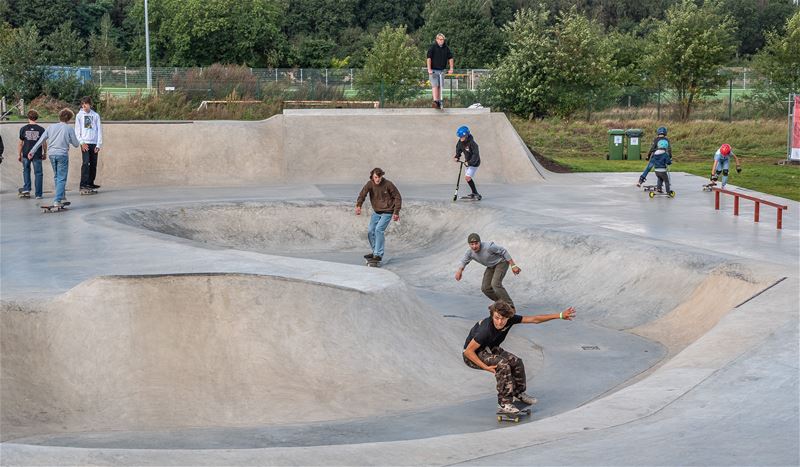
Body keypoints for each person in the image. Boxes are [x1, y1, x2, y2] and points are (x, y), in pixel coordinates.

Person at [463, 300, 576, 414]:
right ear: (492, 315)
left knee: (516, 362)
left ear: (508, 317)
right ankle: (504, 402)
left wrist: (559, 315)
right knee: (503, 365)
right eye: (496, 318)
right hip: (473, 355)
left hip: (490, 348)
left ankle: (518, 393)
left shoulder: (511, 319)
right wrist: (485, 367)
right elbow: (468, 352)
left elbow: (534, 319)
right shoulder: (485, 330)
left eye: (503, 319)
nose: (500, 322)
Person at [28, 108, 79, 208]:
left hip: (51, 154)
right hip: (62, 155)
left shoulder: (51, 127)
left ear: (59, 117)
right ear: (69, 119)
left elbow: (41, 140)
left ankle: (62, 196)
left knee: (57, 176)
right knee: (62, 178)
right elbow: (76, 144)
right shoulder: (69, 129)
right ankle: (57, 200)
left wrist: (32, 151)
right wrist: (68, 139)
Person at [455, 233, 520, 308]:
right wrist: (459, 271)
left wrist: (513, 265)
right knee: (485, 288)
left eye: (476, 243)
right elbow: (464, 261)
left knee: (495, 284)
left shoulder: (489, 247)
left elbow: (503, 251)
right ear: (469, 244)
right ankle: (501, 303)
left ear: (480, 242)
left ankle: (510, 306)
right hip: (491, 266)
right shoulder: (470, 253)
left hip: (501, 263)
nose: (474, 246)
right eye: (472, 244)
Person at [355, 168, 402, 264]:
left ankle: (378, 255)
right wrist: (359, 206)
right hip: (376, 212)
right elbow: (362, 195)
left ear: (382, 176)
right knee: (370, 231)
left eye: (379, 177)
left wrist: (396, 212)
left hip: (388, 211)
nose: (378, 179)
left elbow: (398, 197)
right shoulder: (369, 184)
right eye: (376, 177)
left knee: (378, 230)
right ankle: (375, 252)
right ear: (372, 177)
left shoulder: (388, 184)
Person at [74, 96, 103, 191]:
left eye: (85, 104)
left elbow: (99, 130)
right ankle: (83, 184)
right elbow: (77, 131)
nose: (84, 106)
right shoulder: (79, 115)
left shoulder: (96, 115)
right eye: (82, 104)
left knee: (93, 164)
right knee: (86, 163)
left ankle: (90, 183)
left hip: (94, 143)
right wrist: (82, 143)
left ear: (90, 104)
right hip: (85, 143)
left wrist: (98, 144)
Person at [17, 110, 47, 199]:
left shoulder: (23, 129)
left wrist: (19, 154)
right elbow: (44, 143)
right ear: (37, 118)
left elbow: (20, 143)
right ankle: (38, 194)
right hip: (37, 154)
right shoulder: (41, 129)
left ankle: (27, 188)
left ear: (28, 117)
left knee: (26, 170)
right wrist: (45, 153)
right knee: (38, 173)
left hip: (26, 153)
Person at [426, 33, 454, 110]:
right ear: (437, 39)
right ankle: (435, 101)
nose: (442, 41)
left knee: (440, 86)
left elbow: (450, 58)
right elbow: (429, 58)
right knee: (435, 85)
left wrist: (451, 68)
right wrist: (429, 69)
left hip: (442, 70)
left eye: (443, 40)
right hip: (433, 70)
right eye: (440, 39)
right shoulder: (433, 47)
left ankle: (439, 101)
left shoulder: (446, 48)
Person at [454, 125, 481, 200]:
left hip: (474, 163)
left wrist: (470, 163)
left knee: (468, 177)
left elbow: (476, 155)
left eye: (462, 137)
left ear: (466, 135)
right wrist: (457, 156)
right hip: (467, 162)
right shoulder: (460, 141)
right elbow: (458, 148)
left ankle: (476, 194)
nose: (461, 138)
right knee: (467, 178)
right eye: (460, 137)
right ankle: (474, 193)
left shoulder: (473, 144)